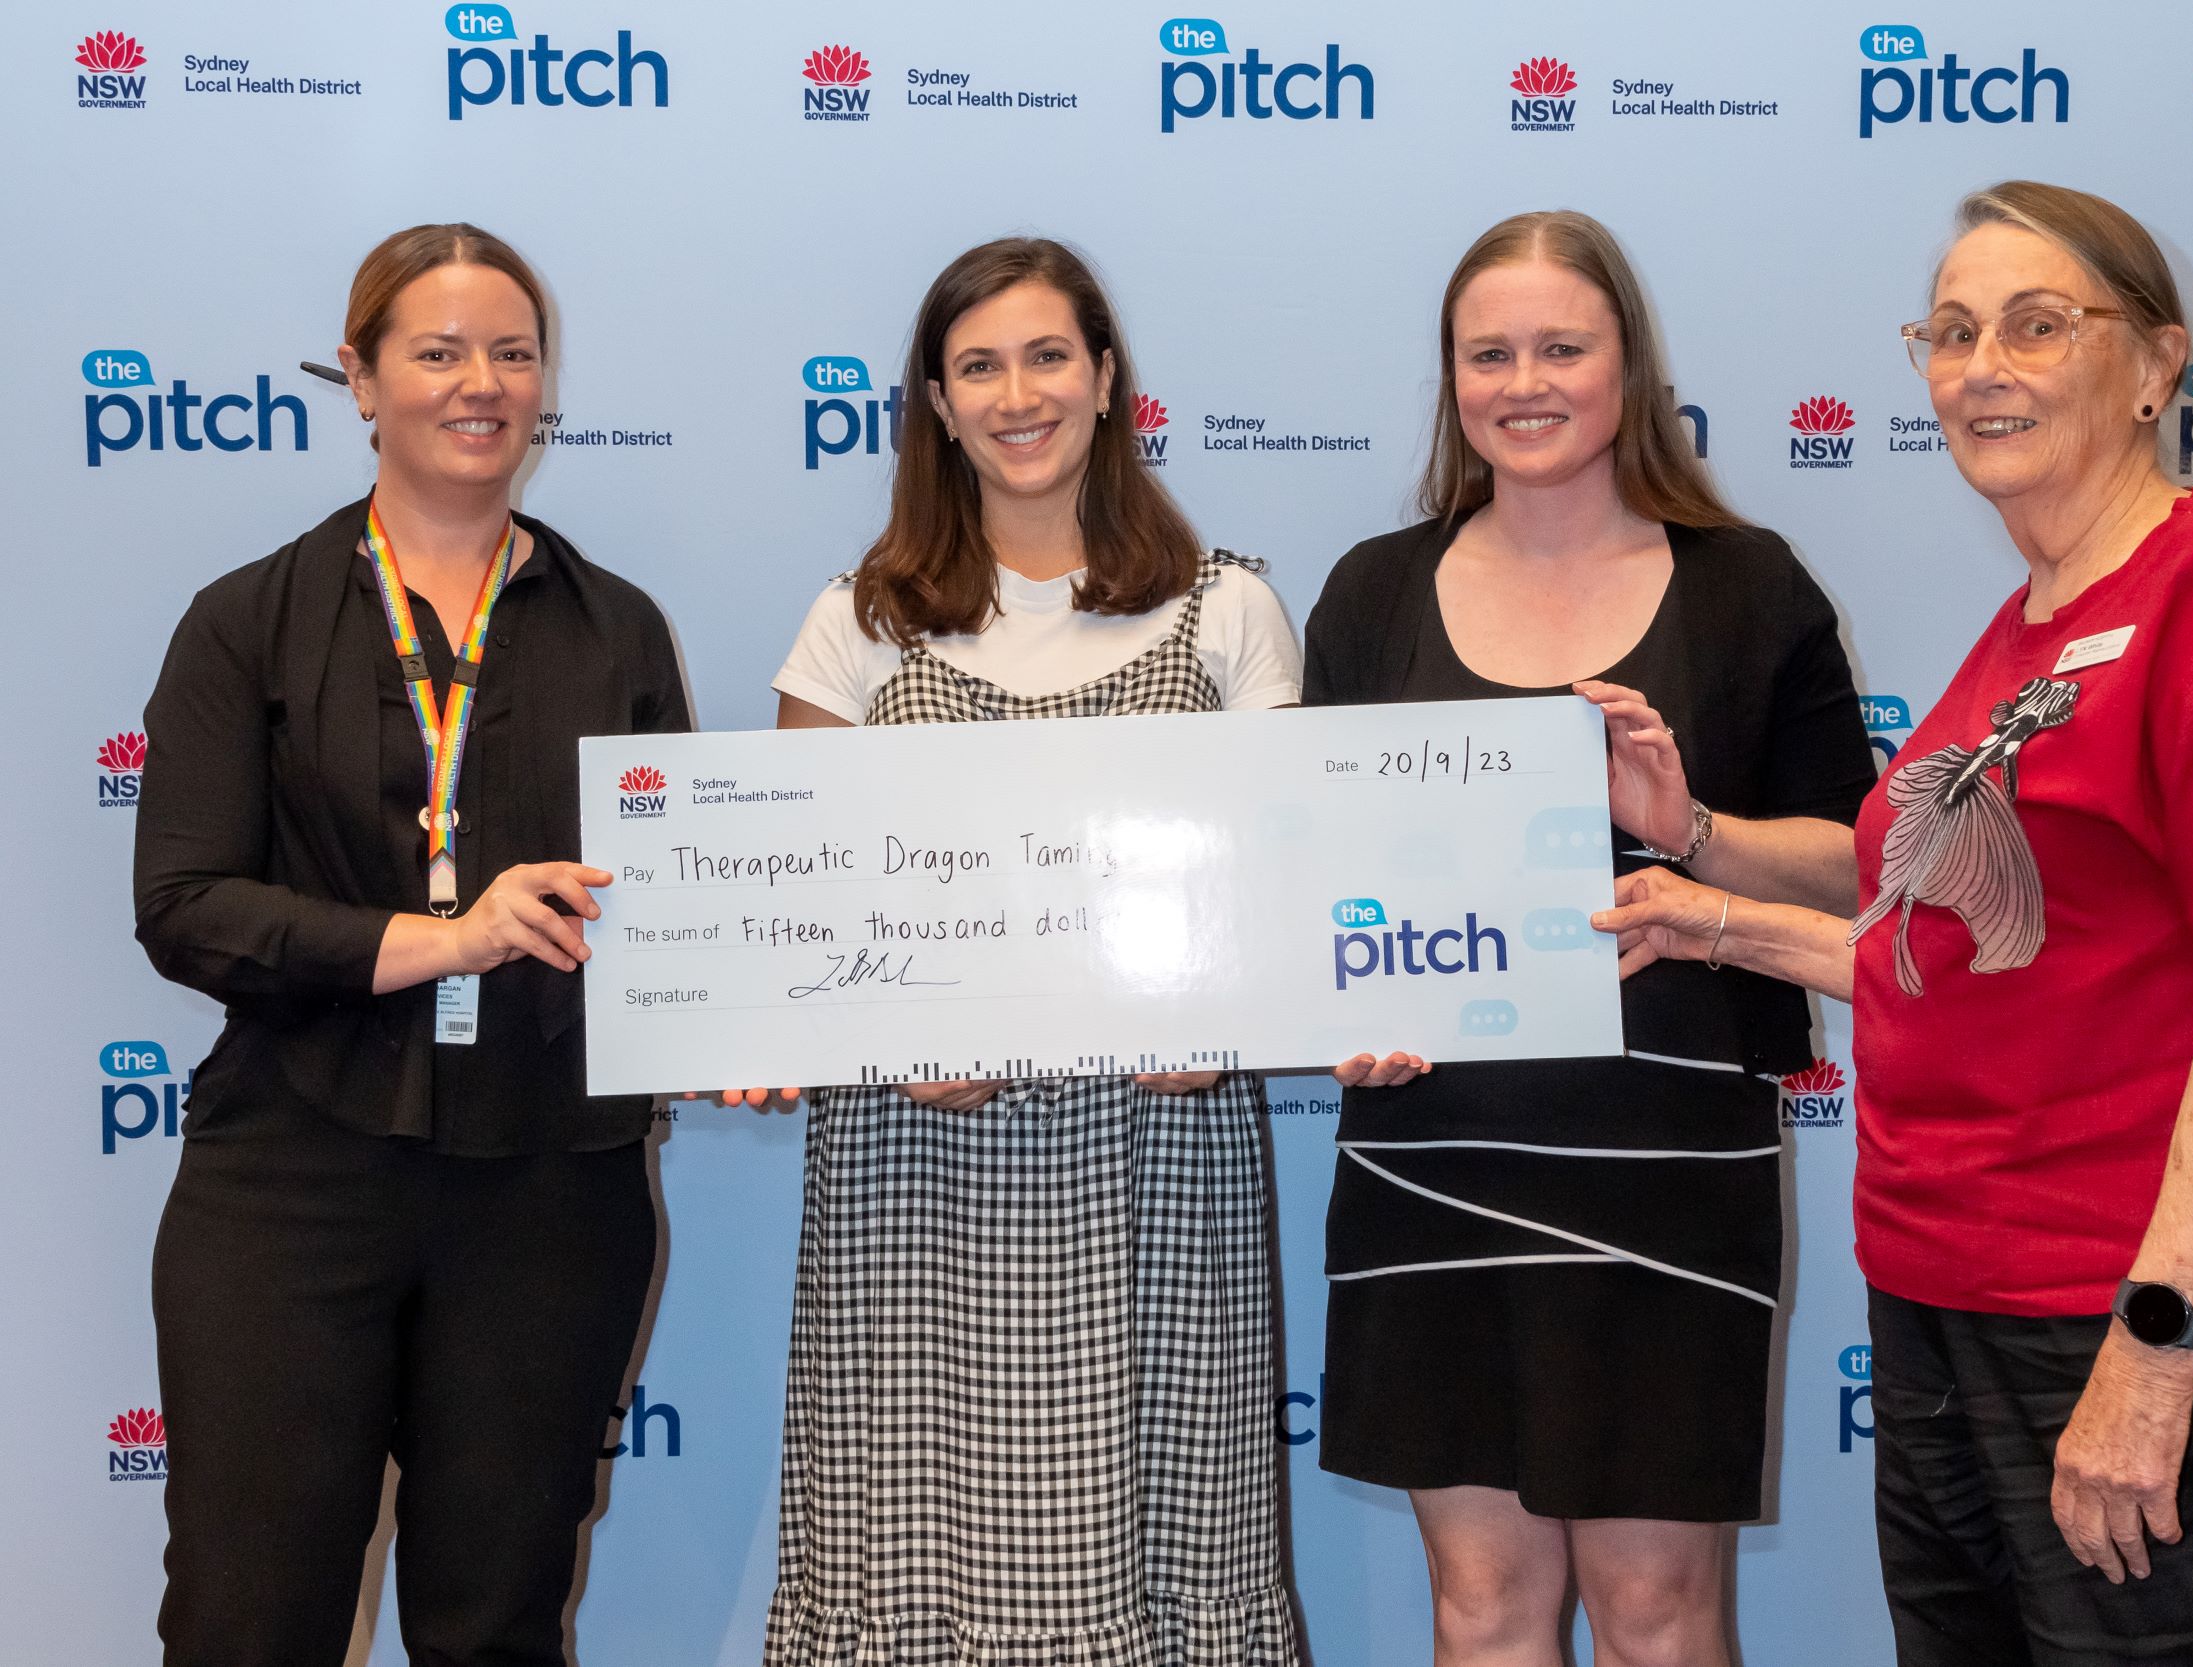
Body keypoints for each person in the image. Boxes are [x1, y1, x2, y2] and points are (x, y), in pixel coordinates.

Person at [1599, 181, 2193, 1666]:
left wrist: (2155, 1354)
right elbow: (1946, 965)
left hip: (2117, 1309)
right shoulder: (2022, 635)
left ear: (2155, 366)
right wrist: (1711, 909)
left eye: (2034, 324)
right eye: (1949, 333)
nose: (1980, 366)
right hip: (1942, 1296)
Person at [1301, 210, 1873, 1667]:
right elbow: (1309, 876)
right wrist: (1325, 1003)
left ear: (1630, 362)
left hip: (1672, 1172)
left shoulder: (1751, 589)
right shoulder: (1371, 593)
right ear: (1452, 379)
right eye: (1488, 352)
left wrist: (1690, 834)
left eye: (1564, 345)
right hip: (1433, 1163)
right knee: (1482, 1613)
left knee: (1659, 1616)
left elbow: (1861, 874)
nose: (1525, 379)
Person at [132, 223, 691, 1667]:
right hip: (292, 1188)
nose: (481, 383)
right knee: (249, 1621)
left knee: (497, 1623)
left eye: (512, 352)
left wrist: (733, 1021)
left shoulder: (617, 629)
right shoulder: (246, 621)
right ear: (361, 376)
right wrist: (438, 941)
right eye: (438, 351)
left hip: (551, 1192)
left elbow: (675, 907)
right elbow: (185, 906)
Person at [757, 237, 1301, 1667]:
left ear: (1109, 379)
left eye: (1049, 355)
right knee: (910, 1557)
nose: (1018, 394)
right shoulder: (856, 626)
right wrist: (879, 1042)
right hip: (916, 1186)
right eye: (978, 365)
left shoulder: (1228, 612)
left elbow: (1280, 901)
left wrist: (1224, 1022)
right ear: (936, 404)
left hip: (1160, 1174)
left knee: (1173, 1539)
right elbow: (811, 923)